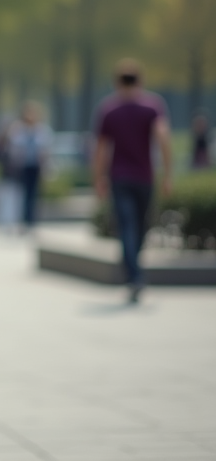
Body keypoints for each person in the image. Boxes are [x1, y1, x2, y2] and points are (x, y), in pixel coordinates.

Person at [92, 59, 172, 304]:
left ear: (117, 83)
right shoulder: (152, 106)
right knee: (140, 226)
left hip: (119, 176)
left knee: (128, 225)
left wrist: (98, 179)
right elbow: (163, 139)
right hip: (144, 176)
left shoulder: (109, 110)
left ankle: (132, 271)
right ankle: (135, 273)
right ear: (140, 80)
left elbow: (102, 149)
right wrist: (168, 174)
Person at [4, 101, 54, 233]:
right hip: (22, 168)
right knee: (22, 195)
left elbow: (45, 151)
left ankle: (31, 221)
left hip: (35, 167)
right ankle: (22, 220)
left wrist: (46, 168)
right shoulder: (18, 130)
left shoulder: (42, 130)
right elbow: (13, 150)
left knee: (34, 195)